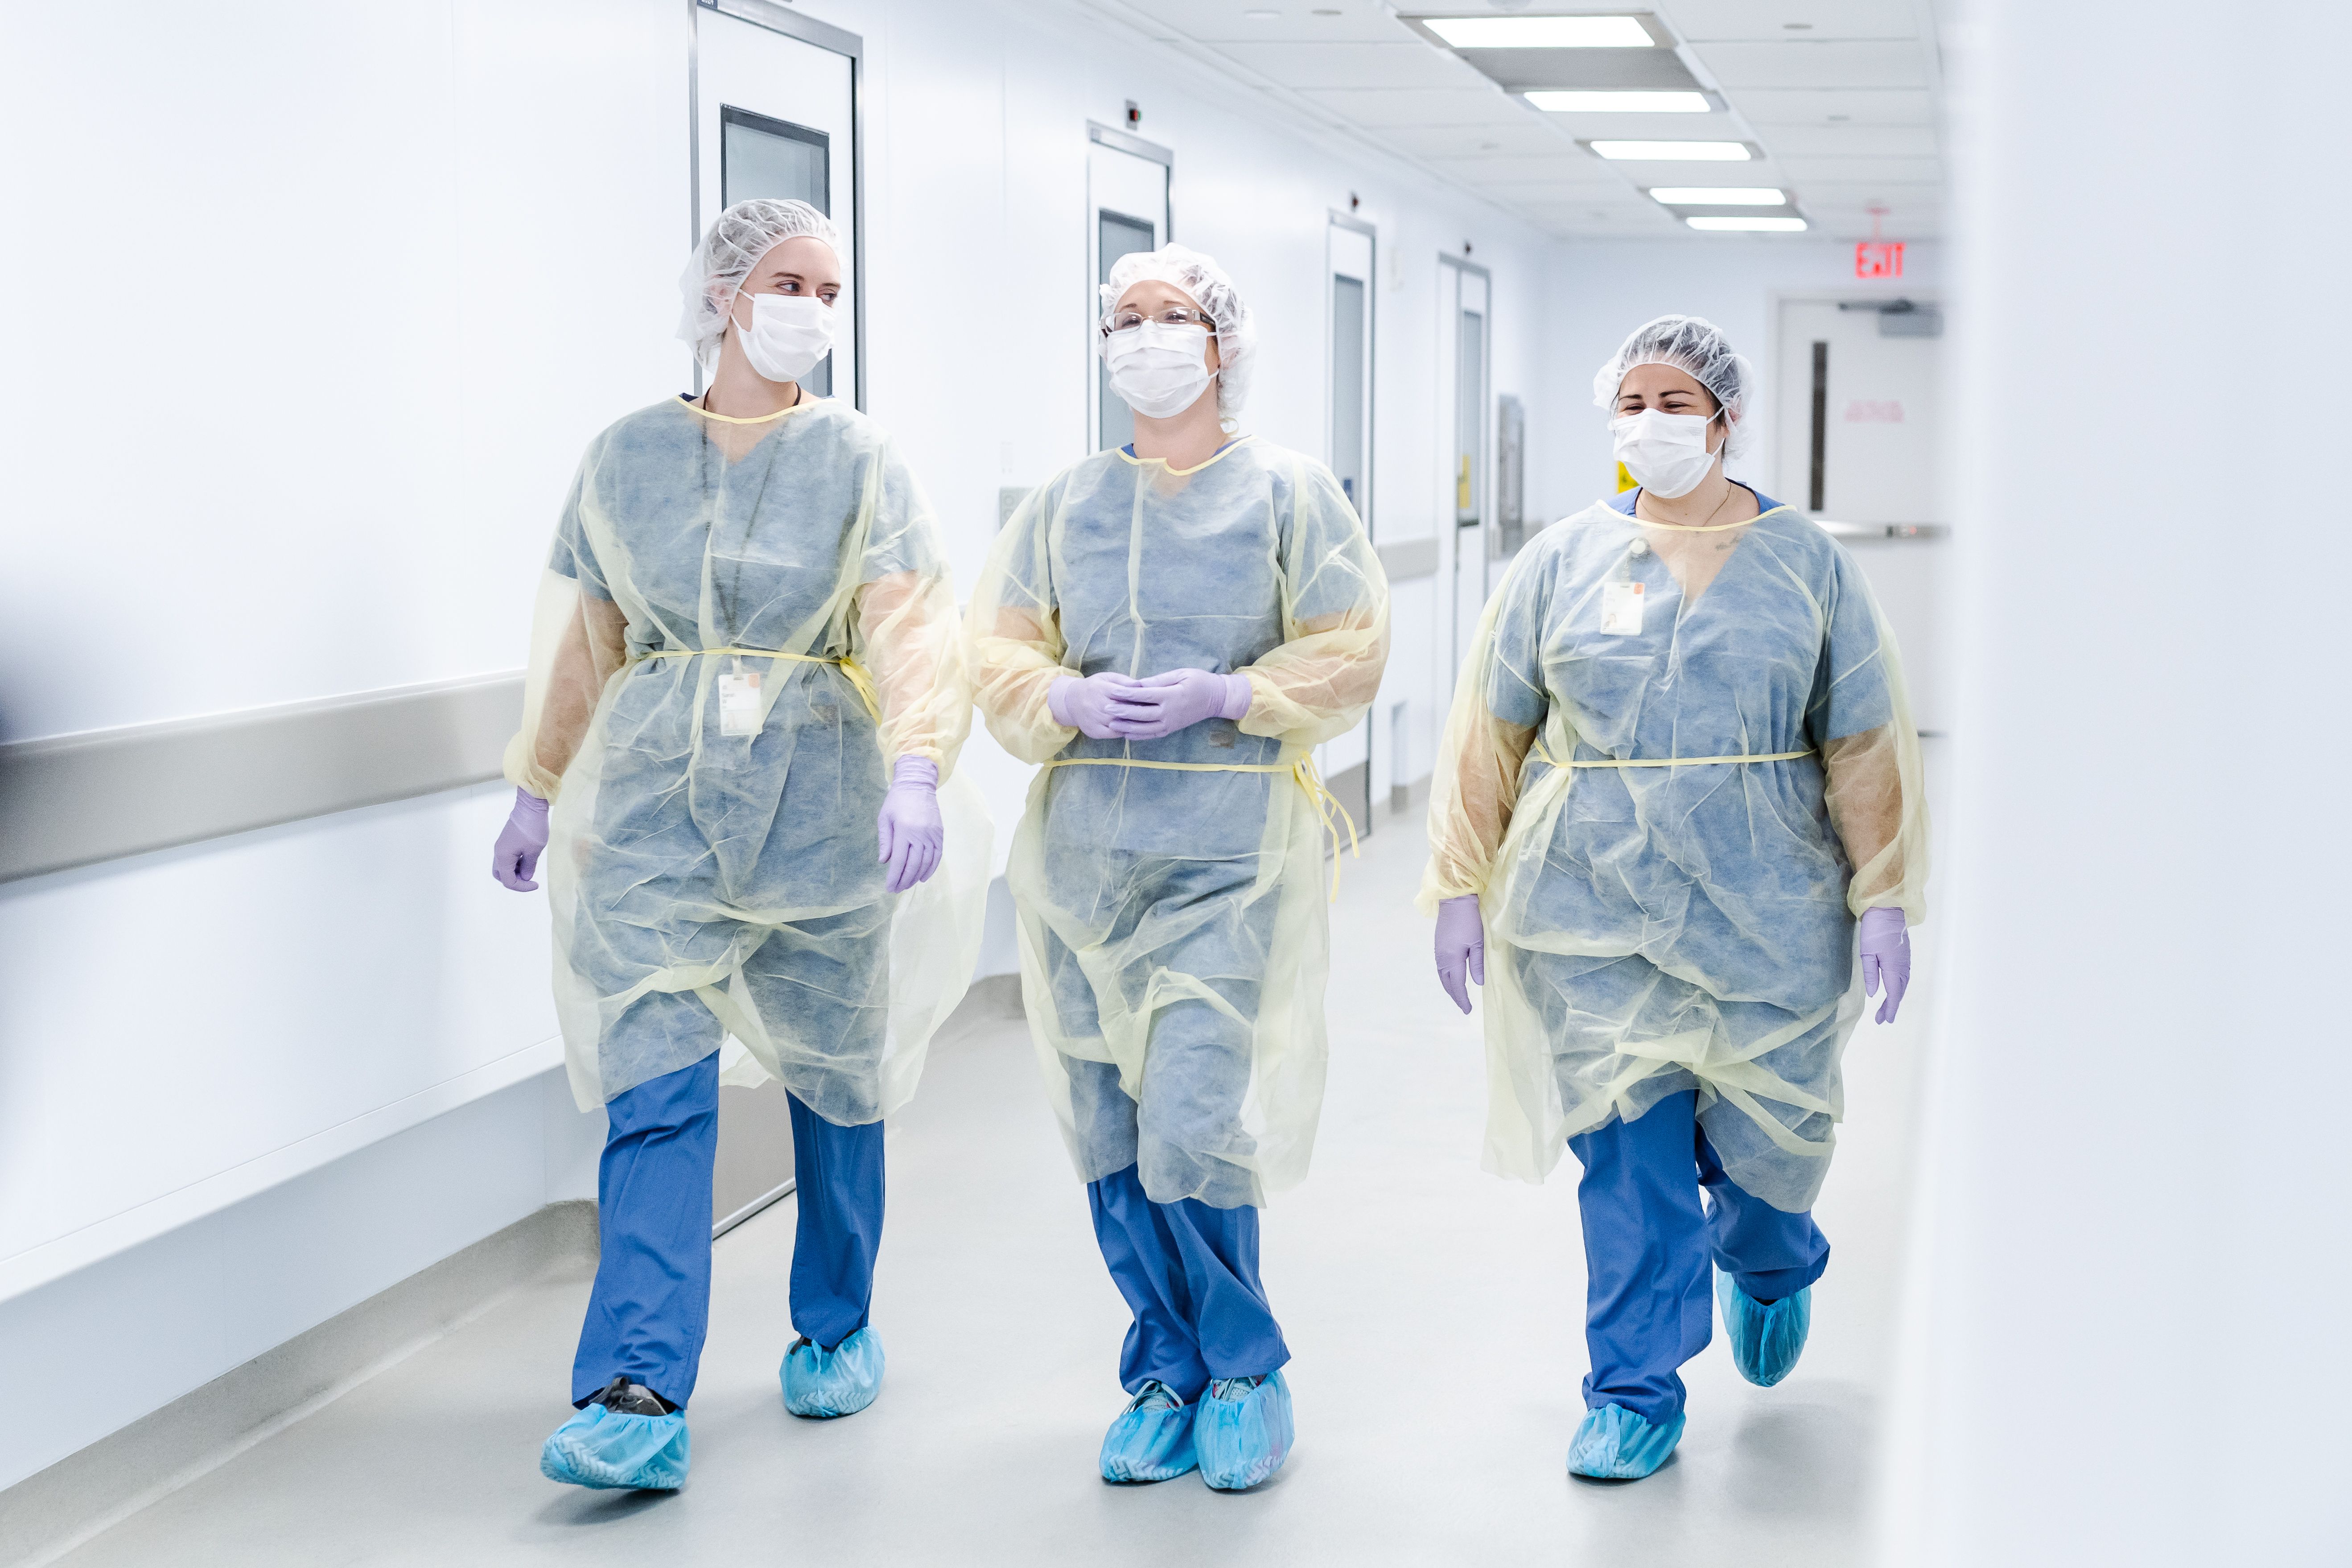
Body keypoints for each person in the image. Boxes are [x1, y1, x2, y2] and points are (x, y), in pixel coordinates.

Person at [488, 198, 988, 1492]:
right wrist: (539, 786)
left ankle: (835, 1320)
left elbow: (910, 628)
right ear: (722, 293)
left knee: (836, 1084)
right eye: (787, 280)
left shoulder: (861, 459)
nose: (811, 308)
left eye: (830, 287)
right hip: (654, 817)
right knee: (654, 1093)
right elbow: (591, 639)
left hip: (822, 807)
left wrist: (918, 767)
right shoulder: (623, 458)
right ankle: (637, 1387)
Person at [1421, 314, 1928, 1482]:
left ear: (1724, 418)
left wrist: (1884, 896)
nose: (1647, 423)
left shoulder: (1805, 562)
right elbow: (1489, 732)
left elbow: (1859, 742)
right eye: (1630, 403)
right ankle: (1633, 1394)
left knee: (1763, 1160)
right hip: (1590, 908)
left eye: (1673, 403)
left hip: (1770, 911)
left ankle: (1771, 1258)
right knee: (1630, 1166)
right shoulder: (1559, 560)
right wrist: (1458, 881)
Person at [966, 244, 1388, 1491]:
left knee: (1192, 1122)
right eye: (1124, 318)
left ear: (1223, 347)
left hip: (1227, 854)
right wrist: (1063, 696)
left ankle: (1245, 1371)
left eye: (1173, 317)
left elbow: (1352, 646)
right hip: (1083, 861)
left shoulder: (1288, 493)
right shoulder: (1062, 505)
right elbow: (996, 655)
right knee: (1106, 1128)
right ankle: (1161, 1368)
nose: (1144, 338)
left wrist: (1235, 690)